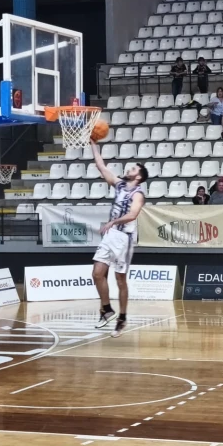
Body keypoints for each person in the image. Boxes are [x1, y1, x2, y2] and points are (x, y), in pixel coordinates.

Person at [90, 141, 148, 337]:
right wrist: (93, 145)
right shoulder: (120, 184)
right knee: (97, 273)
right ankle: (107, 309)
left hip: (124, 238)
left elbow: (132, 215)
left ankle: (122, 318)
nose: (128, 169)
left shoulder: (138, 194)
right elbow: (101, 166)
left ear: (138, 176)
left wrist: (113, 222)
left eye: (133, 168)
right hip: (111, 234)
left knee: (120, 280)